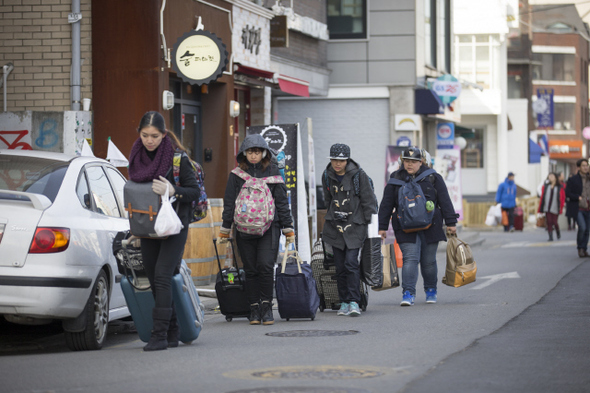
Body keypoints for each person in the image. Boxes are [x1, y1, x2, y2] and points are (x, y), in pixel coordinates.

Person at [127, 111, 201, 351]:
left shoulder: (177, 158)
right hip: (148, 227)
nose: (150, 140)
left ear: (164, 135)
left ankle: (158, 335)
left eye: (155, 136)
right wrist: (135, 229)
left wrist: (173, 190)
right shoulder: (135, 158)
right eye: (145, 135)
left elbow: (194, 192)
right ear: (139, 133)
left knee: (162, 275)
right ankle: (172, 330)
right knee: (154, 278)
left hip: (174, 225)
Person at [218, 134, 294, 325]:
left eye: (257, 152)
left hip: (270, 227)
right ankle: (253, 308)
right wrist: (225, 229)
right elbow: (229, 203)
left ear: (264, 153)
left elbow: (282, 203)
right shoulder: (236, 175)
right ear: (244, 153)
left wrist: (288, 228)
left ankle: (267, 307)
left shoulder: (274, 172)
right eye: (250, 152)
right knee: (250, 269)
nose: (253, 156)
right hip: (244, 228)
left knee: (266, 266)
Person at [378, 147, 457, 306]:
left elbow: (444, 201)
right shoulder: (395, 179)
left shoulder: (433, 178)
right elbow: (386, 204)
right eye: (407, 161)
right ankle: (408, 293)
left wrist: (451, 223)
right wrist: (382, 227)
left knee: (428, 261)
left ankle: (430, 290)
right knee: (410, 259)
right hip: (405, 225)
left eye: (414, 161)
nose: (410, 164)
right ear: (402, 162)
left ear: (421, 162)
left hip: (431, 225)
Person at [321, 143, 377, 317]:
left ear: (347, 160)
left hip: (355, 225)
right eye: (334, 160)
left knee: (351, 263)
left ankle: (354, 301)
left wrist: (371, 225)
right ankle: (344, 301)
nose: (337, 163)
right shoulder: (327, 175)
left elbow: (369, 201)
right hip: (335, 226)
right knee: (339, 266)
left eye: (341, 160)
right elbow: (328, 199)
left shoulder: (359, 175)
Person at [565, 159, 590, 258]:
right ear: (578, 167)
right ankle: (580, 248)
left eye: (587, 165)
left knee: (587, 230)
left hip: (588, 208)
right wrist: (577, 197)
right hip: (579, 208)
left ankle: (584, 249)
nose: (586, 167)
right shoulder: (573, 179)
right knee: (582, 227)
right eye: (583, 166)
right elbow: (567, 193)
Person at [538, 172, 565, 241]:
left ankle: (558, 232)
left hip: (556, 206)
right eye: (549, 176)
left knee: (555, 222)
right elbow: (542, 197)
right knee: (549, 222)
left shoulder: (560, 187)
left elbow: (562, 198)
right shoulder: (546, 186)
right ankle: (550, 236)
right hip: (547, 206)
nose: (550, 178)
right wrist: (540, 208)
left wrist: (561, 208)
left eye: (552, 176)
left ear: (555, 177)